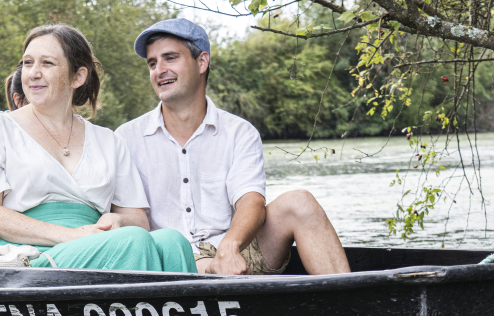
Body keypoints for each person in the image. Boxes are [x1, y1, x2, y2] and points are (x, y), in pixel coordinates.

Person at [0, 24, 194, 273]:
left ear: (78, 77)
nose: (33, 73)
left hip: (94, 244)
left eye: (47, 63)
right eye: (28, 62)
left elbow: (138, 220)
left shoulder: (108, 140)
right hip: (31, 256)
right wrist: (71, 235)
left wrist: (117, 220)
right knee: (132, 241)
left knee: (173, 241)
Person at [115, 19, 351, 275]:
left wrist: (230, 245)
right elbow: (132, 223)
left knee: (300, 202)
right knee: (193, 262)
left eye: (170, 58)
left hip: (237, 251)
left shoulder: (240, 132)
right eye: (152, 63)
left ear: (202, 62)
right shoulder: (126, 139)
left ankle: (353, 306)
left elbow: (251, 202)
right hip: (172, 261)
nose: (159, 69)